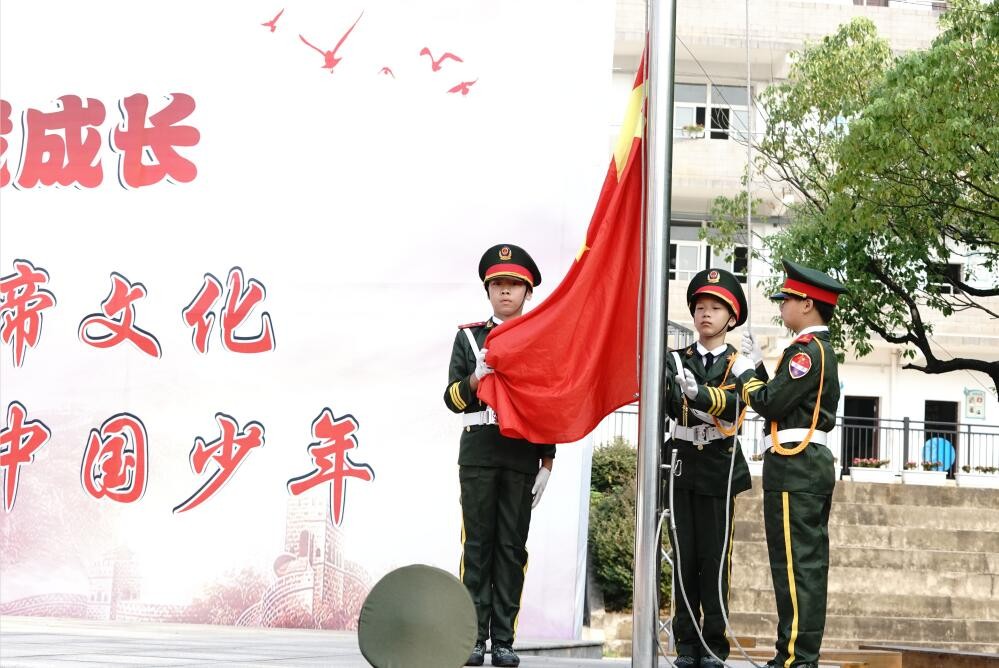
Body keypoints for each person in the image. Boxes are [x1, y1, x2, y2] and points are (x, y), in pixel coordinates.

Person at [443, 243, 555, 668]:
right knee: (478, 548)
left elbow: (548, 402)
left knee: (511, 548)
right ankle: (472, 638)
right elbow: (452, 399)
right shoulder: (469, 338)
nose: (505, 291)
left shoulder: (540, 338)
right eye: (498, 284)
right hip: (480, 451)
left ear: (528, 292)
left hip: (521, 453)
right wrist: (475, 379)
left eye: (514, 285)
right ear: (487, 290)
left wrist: (548, 461)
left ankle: (504, 640)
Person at [731, 259, 846, 668]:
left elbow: (771, 402)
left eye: (788, 300)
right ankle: (795, 655)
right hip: (803, 464)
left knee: (795, 567)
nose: (782, 306)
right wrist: (760, 366)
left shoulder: (806, 352)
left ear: (808, 304)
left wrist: (746, 373)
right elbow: (785, 396)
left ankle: (796, 658)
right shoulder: (815, 350)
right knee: (803, 565)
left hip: (795, 465)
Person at [662, 268, 753, 668]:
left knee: (714, 560)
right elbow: (665, 404)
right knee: (684, 558)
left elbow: (737, 405)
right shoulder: (675, 360)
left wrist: (700, 394)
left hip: (719, 464)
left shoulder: (740, 363)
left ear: (731, 318)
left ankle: (714, 644)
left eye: (715, 308)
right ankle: (686, 644)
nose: (705, 314)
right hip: (683, 462)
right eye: (700, 307)